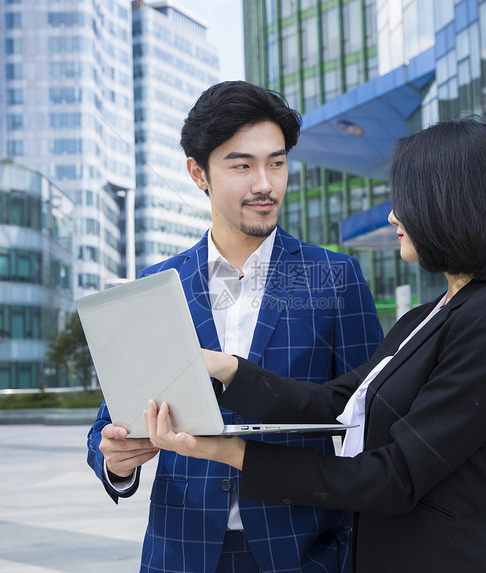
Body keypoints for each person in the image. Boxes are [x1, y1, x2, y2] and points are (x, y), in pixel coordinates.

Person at [145, 117, 486, 572]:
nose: (394, 214)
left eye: (405, 199)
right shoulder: (429, 315)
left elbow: (395, 477)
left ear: (449, 203)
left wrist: (224, 450)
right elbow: (336, 402)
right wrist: (226, 369)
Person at [86, 81, 384, 573]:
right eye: (242, 165)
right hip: (179, 554)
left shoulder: (335, 278)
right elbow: (110, 421)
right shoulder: (156, 286)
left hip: (304, 553)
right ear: (198, 173)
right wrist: (115, 462)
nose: (264, 183)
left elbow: (368, 424)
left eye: (277, 162)